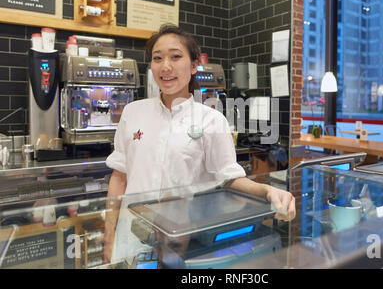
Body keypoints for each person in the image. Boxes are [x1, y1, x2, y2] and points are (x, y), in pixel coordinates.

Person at [103, 24, 296, 264]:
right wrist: (109, 236)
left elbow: (230, 177)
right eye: (157, 58)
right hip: (130, 233)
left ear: (193, 66)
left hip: (180, 237)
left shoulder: (211, 119)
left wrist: (268, 190)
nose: (166, 66)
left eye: (176, 57)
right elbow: (119, 178)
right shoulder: (133, 112)